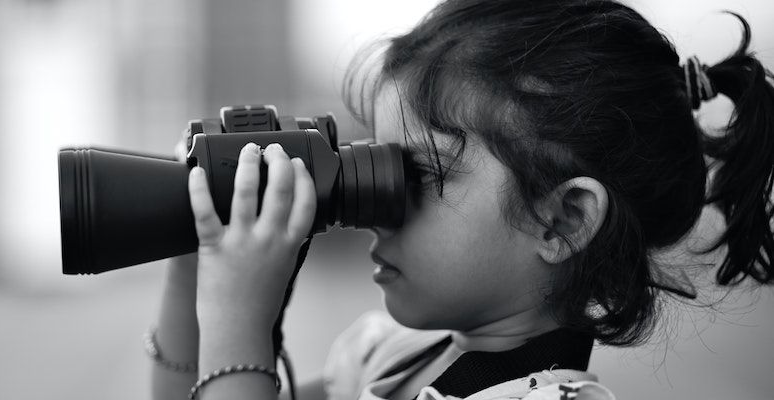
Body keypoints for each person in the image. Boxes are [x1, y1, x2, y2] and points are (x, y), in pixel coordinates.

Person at [148, 0, 774, 399]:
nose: (380, 204)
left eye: (419, 173)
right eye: (381, 163)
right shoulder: (383, 354)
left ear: (563, 219)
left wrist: (241, 325)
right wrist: (189, 265)